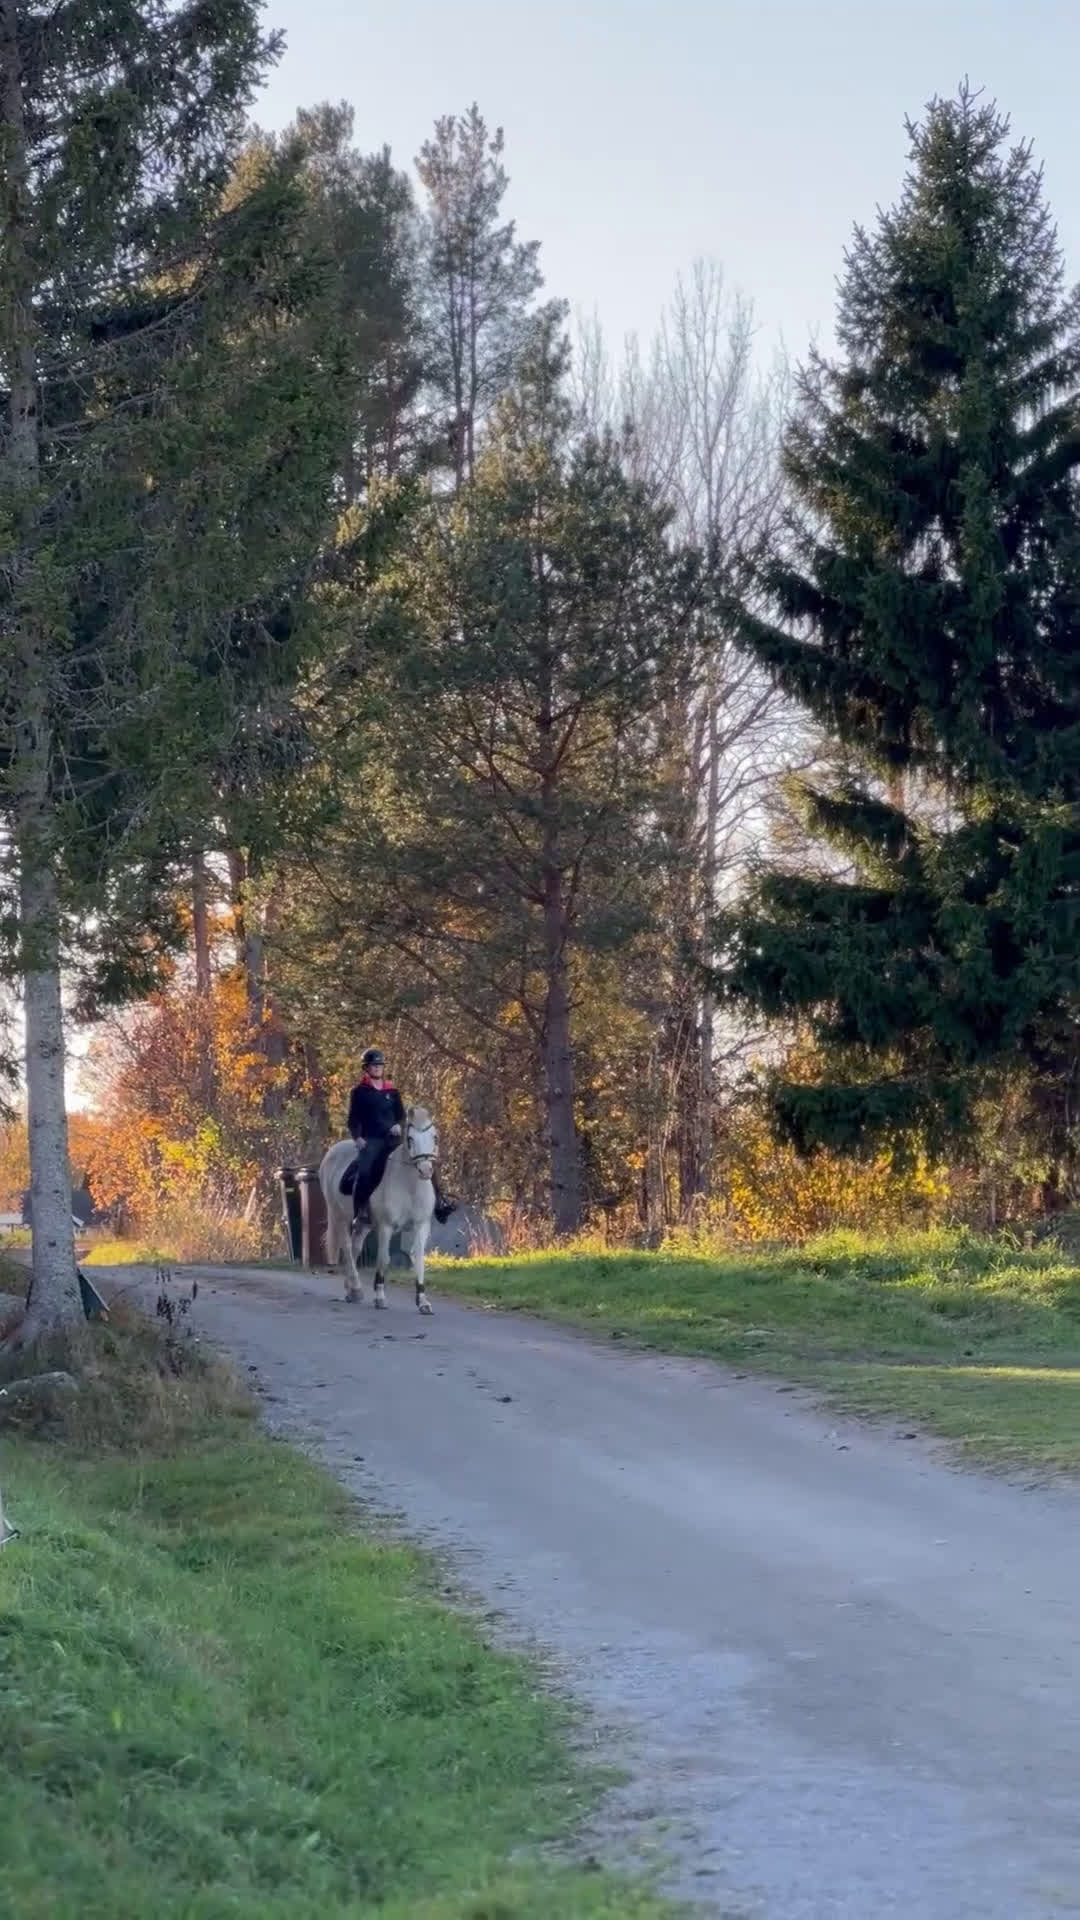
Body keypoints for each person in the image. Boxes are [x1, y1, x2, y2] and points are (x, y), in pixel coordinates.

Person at [346, 1048, 457, 1227]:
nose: (377, 1068)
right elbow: (353, 1119)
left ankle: (439, 1202)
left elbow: (401, 1116)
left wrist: (399, 1124)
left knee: (426, 1159)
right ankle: (361, 1212)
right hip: (372, 1140)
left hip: (393, 1139)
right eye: (374, 1065)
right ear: (366, 1068)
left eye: (379, 1065)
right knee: (365, 1169)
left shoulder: (392, 1091)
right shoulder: (359, 1092)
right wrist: (358, 1138)